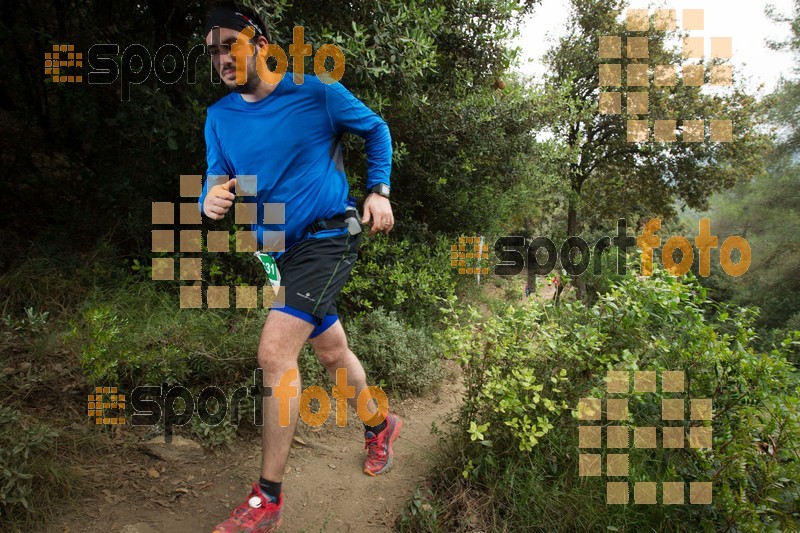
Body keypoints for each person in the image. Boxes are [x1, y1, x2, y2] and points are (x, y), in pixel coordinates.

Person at [198, 4, 401, 531]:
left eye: (230, 45)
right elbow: (217, 173)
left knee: (274, 351)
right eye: (213, 51)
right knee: (334, 353)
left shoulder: (317, 93)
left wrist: (378, 190)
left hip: (329, 239)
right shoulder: (219, 116)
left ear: (260, 44)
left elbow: (377, 130)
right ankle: (381, 426)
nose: (221, 58)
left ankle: (268, 498)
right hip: (277, 256)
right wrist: (208, 198)